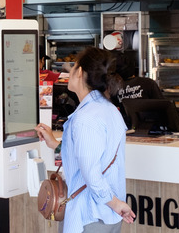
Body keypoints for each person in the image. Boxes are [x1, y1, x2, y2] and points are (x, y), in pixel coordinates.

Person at [35, 47, 135, 232]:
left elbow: (91, 172)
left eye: (73, 67)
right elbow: (94, 154)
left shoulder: (85, 118)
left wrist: (114, 203)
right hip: (107, 217)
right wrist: (56, 145)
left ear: (79, 72)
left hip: (90, 216)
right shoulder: (109, 110)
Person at [109, 52, 164, 128]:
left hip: (125, 132)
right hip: (151, 131)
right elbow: (164, 109)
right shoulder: (148, 83)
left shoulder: (112, 89)